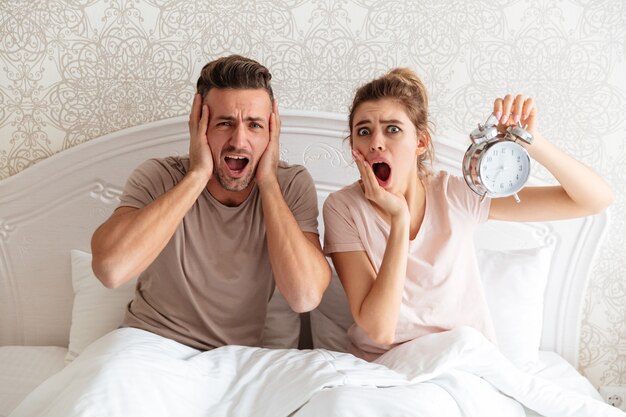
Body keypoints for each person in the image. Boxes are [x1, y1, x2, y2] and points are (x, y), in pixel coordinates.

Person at [322, 67, 613, 361]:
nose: (375, 143)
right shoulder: (343, 208)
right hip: (383, 368)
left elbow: (594, 201)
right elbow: (380, 330)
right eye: (363, 131)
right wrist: (399, 220)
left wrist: (532, 141)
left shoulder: (456, 196)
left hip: (460, 361)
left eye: (393, 129)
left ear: (420, 142)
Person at [90, 54, 331, 351]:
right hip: (148, 347)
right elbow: (111, 270)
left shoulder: (289, 185)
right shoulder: (159, 177)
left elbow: (304, 296)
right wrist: (197, 174)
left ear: (272, 132)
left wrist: (267, 182)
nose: (239, 140)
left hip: (235, 358)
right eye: (225, 123)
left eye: (255, 125)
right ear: (198, 126)